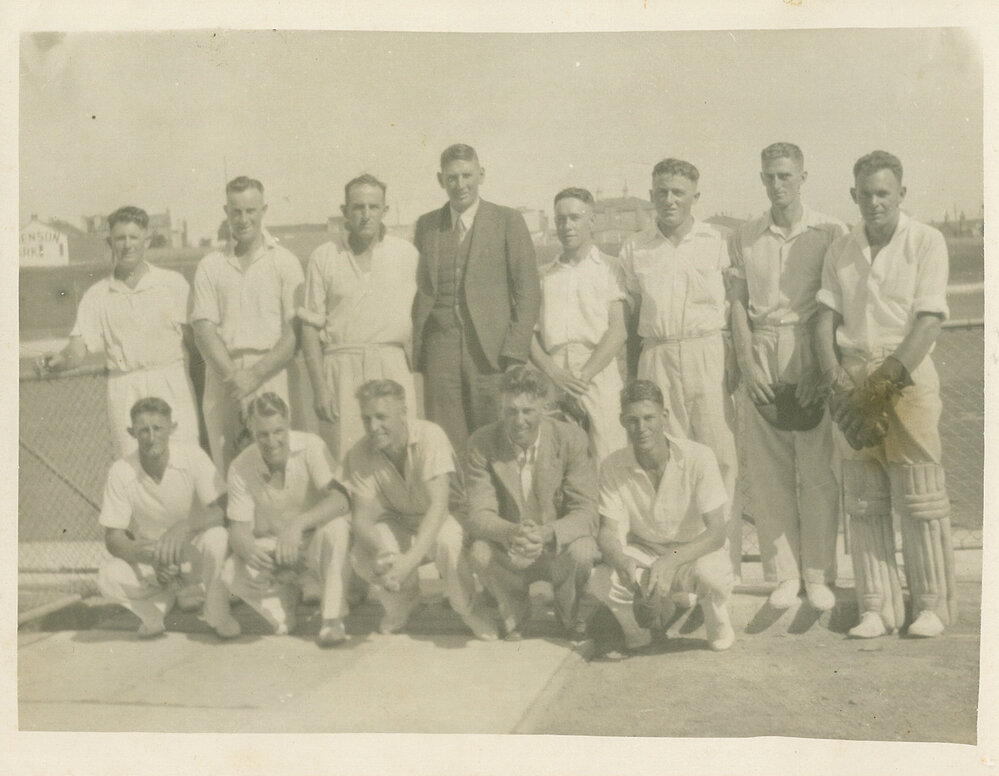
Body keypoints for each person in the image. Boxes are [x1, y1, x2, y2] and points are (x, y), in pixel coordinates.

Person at [814, 150, 957, 639]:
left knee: (919, 493)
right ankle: (876, 607)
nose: (874, 202)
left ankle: (932, 606)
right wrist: (836, 379)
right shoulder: (841, 248)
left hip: (905, 375)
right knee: (863, 498)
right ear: (853, 195)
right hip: (852, 374)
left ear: (901, 194)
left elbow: (928, 321)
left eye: (883, 193)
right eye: (865, 194)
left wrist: (882, 385)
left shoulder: (926, 241)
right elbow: (825, 319)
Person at [728, 143, 845, 611]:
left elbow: (836, 304)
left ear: (802, 178)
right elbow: (737, 304)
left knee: (817, 471)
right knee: (768, 473)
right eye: (770, 176)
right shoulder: (745, 235)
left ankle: (818, 575)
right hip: (762, 347)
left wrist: (820, 364)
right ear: (762, 179)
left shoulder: (830, 231)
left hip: (810, 347)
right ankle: (783, 575)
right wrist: (746, 360)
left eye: (786, 176)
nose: (778, 185)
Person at [618, 158, 740, 575]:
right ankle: (677, 567)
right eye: (662, 192)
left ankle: (724, 566)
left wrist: (733, 360)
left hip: (707, 351)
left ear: (695, 197)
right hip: (657, 353)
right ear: (651, 195)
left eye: (678, 193)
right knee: (669, 458)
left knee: (719, 455)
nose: (669, 200)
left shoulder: (717, 241)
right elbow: (631, 318)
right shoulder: (635, 247)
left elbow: (735, 305)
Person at [36, 206, 200, 457]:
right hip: (125, 389)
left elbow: (195, 345)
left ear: (147, 240)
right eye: (120, 238)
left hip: (171, 382)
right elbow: (77, 349)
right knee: (132, 467)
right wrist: (59, 360)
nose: (127, 245)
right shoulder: (97, 294)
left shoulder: (172, 284)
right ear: (109, 242)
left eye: (134, 237)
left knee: (184, 460)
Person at [412, 143, 540, 460]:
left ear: (481, 175)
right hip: (440, 350)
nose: (460, 185)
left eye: (467, 175)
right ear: (440, 180)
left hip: (491, 354)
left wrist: (515, 354)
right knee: (445, 441)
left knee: (495, 437)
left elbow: (528, 292)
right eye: (452, 178)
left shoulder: (507, 220)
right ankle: (455, 493)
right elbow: (418, 289)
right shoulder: (427, 226)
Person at [589, 380, 735, 653]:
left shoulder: (699, 456)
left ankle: (716, 617)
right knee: (599, 580)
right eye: (632, 420)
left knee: (712, 575)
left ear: (664, 416)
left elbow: (717, 532)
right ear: (622, 421)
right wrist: (621, 560)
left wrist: (671, 560)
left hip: (692, 552)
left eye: (649, 418)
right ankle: (637, 630)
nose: (641, 428)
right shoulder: (612, 465)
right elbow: (607, 531)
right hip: (645, 553)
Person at [345, 379, 497, 640]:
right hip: (401, 520)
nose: (373, 427)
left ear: (403, 412)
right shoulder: (359, 451)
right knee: (361, 555)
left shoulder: (430, 435)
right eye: (366, 418)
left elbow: (439, 507)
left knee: (447, 541)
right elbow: (361, 519)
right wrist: (381, 555)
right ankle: (404, 601)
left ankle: (469, 609)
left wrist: (408, 562)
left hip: (447, 517)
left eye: (382, 417)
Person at [465, 365, 600, 640]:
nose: (519, 421)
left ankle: (569, 614)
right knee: (479, 551)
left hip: (555, 548)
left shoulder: (571, 438)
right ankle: (514, 613)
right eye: (511, 411)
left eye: (528, 411)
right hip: (511, 548)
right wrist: (511, 531)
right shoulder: (481, 442)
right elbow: (479, 514)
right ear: (500, 409)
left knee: (584, 550)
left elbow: (586, 512)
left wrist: (547, 533)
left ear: (544, 408)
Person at [300, 174, 420, 460]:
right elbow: (310, 328)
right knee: (345, 456)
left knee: (400, 452)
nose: (366, 215)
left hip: (391, 364)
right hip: (341, 368)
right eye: (358, 207)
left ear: (384, 210)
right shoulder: (324, 256)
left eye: (373, 207)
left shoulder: (406, 254)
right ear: (345, 211)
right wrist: (320, 388)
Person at [96, 397, 238, 639]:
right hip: (157, 563)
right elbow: (113, 537)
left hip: (193, 554)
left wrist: (184, 527)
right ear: (131, 433)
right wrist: (147, 556)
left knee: (218, 537)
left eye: (158, 428)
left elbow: (223, 509)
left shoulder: (192, 456)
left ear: (172, 428)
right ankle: (153, 616)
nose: (151, 437)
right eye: (143, 430)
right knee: (108, 577)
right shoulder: (121, 470)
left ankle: (217, 613)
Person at [191, 176, 305, 472]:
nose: (243, 219)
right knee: (229, 469)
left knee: (280, 465)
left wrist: (255, 375)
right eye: (236, 212)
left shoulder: (285, 261)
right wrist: (236, 380)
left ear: (263, 210)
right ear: (226, 212)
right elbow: (203, 330)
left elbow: (295, 330)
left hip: (273, 373)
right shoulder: (210, 265)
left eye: (250, 211)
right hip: (225, 377)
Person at [222, 393, 353, 646]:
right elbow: (238, 530)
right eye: (262, 434)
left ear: (288, 423)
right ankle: (283, 602)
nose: (272, 442)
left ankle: (332, 620)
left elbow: (341, 501)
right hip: (278, 550)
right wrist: (248, 549)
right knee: (230, 572)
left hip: (314, 540)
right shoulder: (240, 465)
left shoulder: (311, 445)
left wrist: (298, 524)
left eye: (278, 431)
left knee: (337, 528)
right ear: (251, 429)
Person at [530, 187, 628, 463]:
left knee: (608, 454)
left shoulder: (611, 268)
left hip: (598, 371)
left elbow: (619, 330)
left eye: (575, 218)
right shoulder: (544, 276)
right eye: (560, 219)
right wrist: (553, 372)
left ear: (592, 221)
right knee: (555, 458)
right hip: (555, 374)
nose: (567, 226)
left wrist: (584, 375)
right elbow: (527, 334)